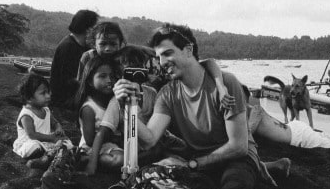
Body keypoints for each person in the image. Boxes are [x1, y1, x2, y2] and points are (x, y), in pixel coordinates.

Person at [113, 24, 304, 189]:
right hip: (199, 162)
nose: (161, 62)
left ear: (188, 50)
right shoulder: (167, 94)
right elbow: (149, 139)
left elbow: (238, 147)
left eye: (167, 53)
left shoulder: (225, 84)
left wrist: (195, 164)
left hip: (236, 159)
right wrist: (126, 107)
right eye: (158, 56)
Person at [91, 45, 236, 170]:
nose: (135, 76)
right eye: (129, 72)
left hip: (159, 138)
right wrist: (92, 164)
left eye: (139, 70)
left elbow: (165, 117)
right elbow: (103, 131)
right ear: (120, 76)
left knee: (186, 150)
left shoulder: (152, 93)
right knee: (132, 157)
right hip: (137, 145)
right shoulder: (117, 101)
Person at [73, 55, 124, 175]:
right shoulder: (89, 108)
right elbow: (90, 140)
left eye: (112, 76)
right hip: (92, 148)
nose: (109, 80)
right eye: (102, 76)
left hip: (112, 145)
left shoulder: (114, 101)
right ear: (90, 81)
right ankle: (87, 160)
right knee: (120, 160)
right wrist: (116, 137)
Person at [12, 74, 73, 169]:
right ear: (28, 97)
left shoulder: (46, 109)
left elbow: (54, 122)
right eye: (43, 93)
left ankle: (50, 156)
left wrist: (58, 128)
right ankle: (46, 157)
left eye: (49, 92)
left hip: (47, 140)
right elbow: (32, 135)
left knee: (66, 141)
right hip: (31, 141)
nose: (48, 96)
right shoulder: (26, 115)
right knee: (34, 147)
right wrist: (51, 138)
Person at [50, 9, 99, 111]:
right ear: (88, 29)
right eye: (95, 28)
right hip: (65, 99)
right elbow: (68, 81)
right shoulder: (68, 47)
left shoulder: (83, 46)